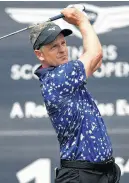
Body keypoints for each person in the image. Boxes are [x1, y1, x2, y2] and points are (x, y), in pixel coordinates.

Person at [29, 5, 121, 183]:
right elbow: (95, 54)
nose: (62, 49)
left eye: (63, 43)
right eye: (54, 46)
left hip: (102, 173)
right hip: (80, 176)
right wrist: (81, 20)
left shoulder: (65, 74)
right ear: (40, 54)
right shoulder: (58, 78)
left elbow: (95, 62)